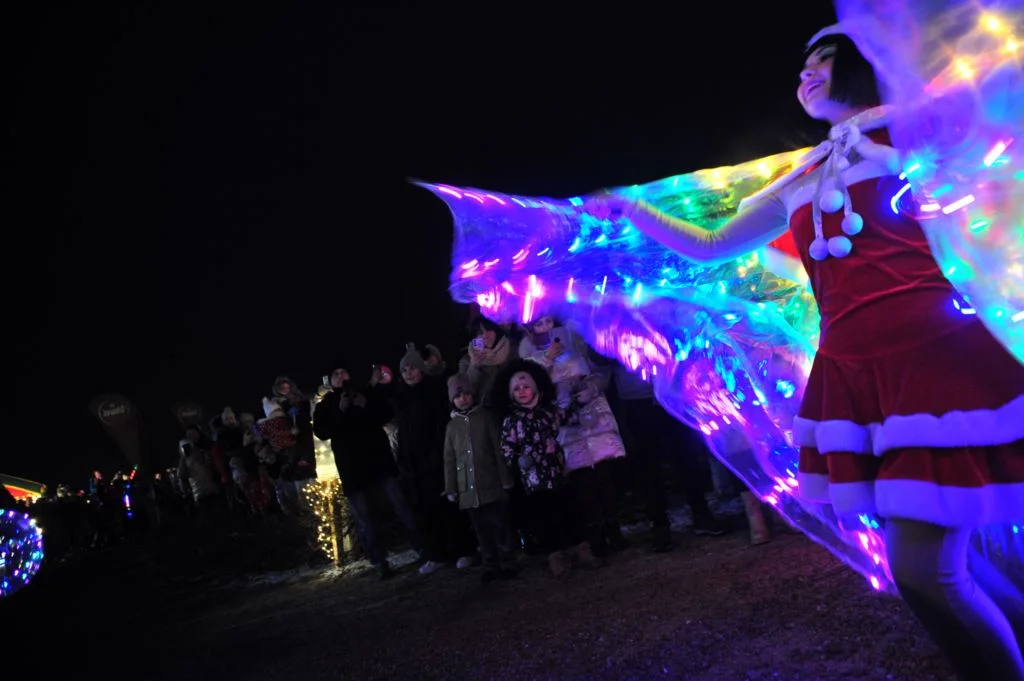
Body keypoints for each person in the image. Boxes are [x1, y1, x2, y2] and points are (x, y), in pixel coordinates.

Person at [584, 30, 1024, 681]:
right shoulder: (805, 172)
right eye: (800, 66)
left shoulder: (918, 133)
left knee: (927, 569)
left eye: (819, 59)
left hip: (937, 362)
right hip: (859, 374)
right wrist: (629, 209)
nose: (805, 74)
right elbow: (711, 244)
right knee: (935, 568)